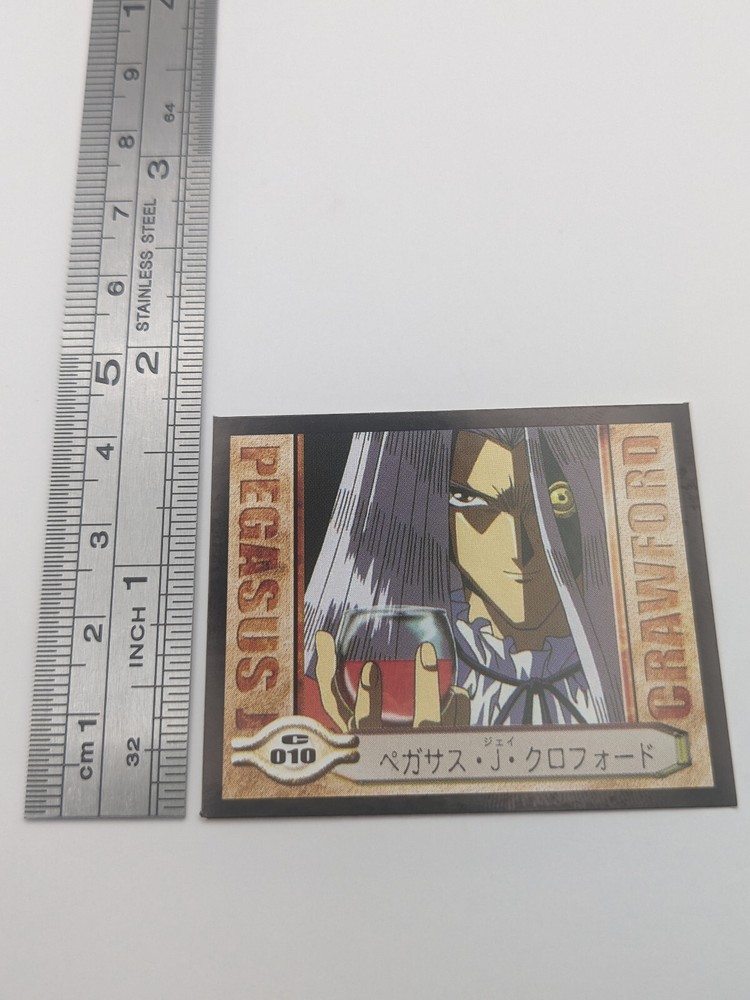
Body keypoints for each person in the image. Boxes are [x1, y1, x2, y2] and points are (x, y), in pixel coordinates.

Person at [303, 425, 625, 730]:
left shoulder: (628, 663)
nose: (519, 548)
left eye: (554, 501)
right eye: (471, 501)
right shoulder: (369, 681)